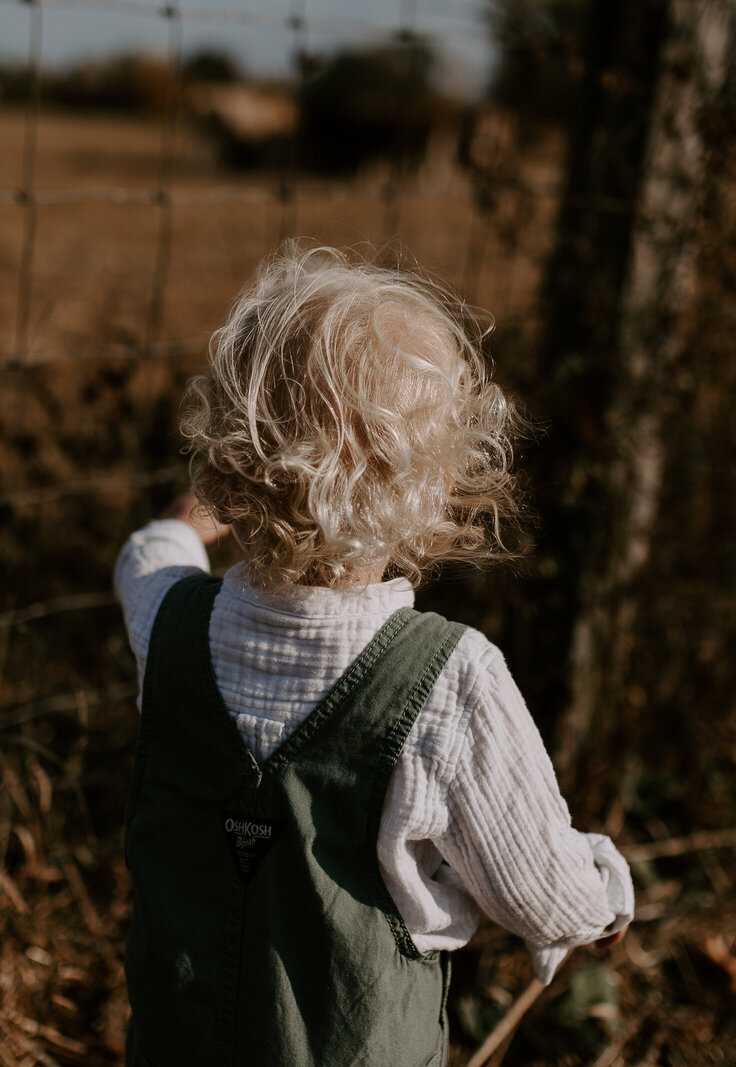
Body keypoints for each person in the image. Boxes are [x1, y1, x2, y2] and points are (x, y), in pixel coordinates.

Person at [114, 245, 633, 1067]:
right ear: (432, 487)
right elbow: (537, 885)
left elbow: (144, 560)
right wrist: (601, 897)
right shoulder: (449, 681)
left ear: (233, 457)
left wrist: (186, 522)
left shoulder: (172, 628)